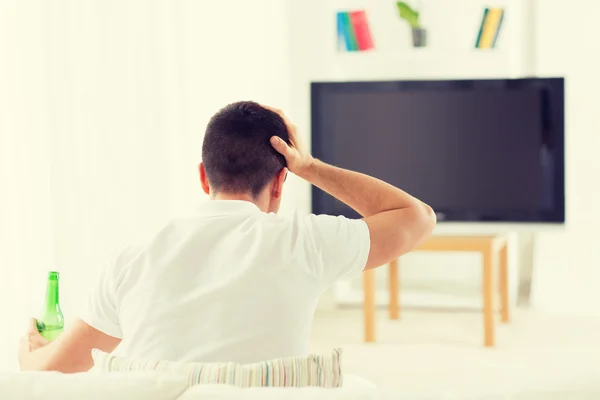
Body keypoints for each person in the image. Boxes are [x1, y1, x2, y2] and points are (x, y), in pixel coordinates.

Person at [18, 102, 436, 372]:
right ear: (280, 183)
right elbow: (417, 218)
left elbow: (59, 367)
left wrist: (29, 354)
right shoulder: (305, 243)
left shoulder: (132, 257)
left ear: (203, 176)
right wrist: (309, 166)